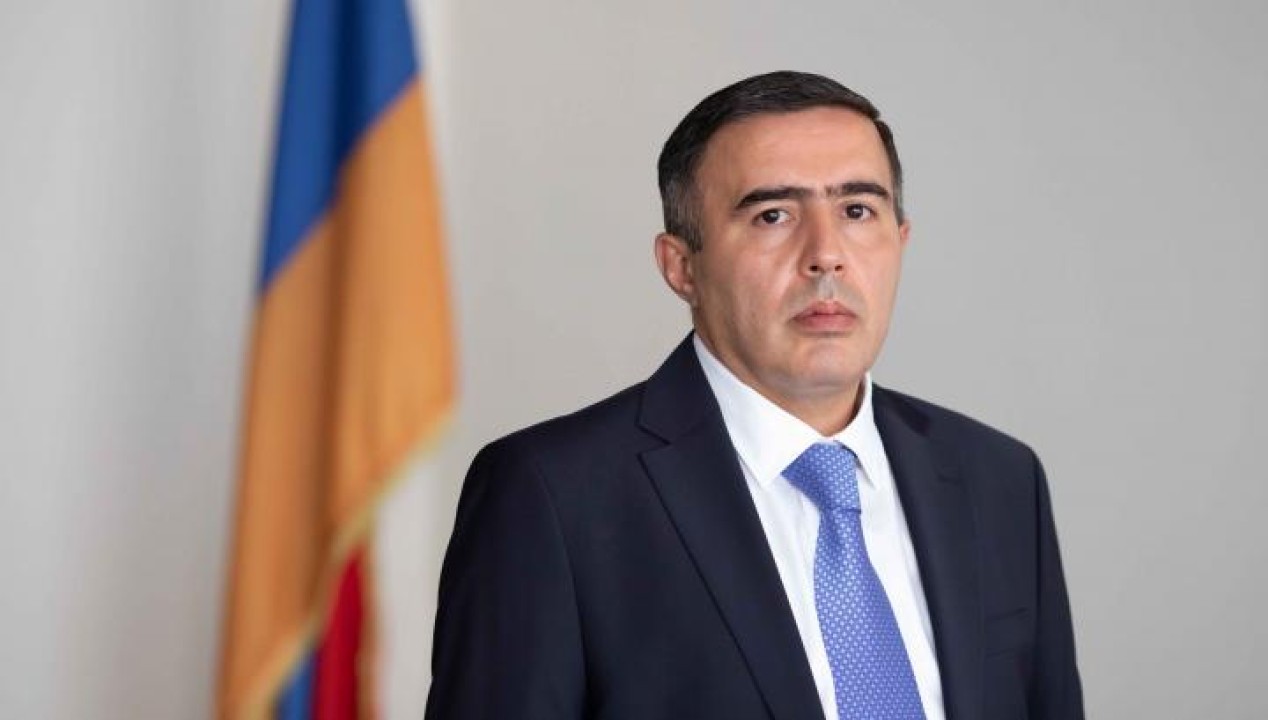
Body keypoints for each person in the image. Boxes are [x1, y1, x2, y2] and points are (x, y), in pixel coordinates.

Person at [425, 71, 1084, 720]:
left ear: (900, 241)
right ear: (681, 267)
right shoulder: (553, 496)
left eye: (857, 211)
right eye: (773, 216)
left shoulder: (999, 479)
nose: (826, 255)